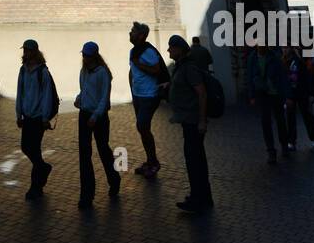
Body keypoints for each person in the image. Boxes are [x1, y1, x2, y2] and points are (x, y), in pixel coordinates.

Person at [167, 34, 212, 214]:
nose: (168, 50)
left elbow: (201, 93)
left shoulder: (189, 67)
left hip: (194, 121)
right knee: (196, 159)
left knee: (195, 161)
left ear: (179, 49)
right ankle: (203, 197)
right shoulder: (181, 67)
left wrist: (202, 120)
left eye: (171, 47)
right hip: (188, 121)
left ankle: (198, 198)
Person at [75, 42, 121, 208]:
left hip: (99, 117)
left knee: (103, 149)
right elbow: (84, 90)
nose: (85, 58)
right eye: (84, 55)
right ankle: (87, 195)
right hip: (84, 114)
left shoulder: (103, 73)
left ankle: (114, 178)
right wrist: (79, 98)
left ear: (94, 55)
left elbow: (104, 98)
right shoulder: (84, 72)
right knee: (84, 155)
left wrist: (96, 115)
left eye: (87, 55)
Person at [15, 39, 56, 200]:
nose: (25, 53)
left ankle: (36, 186)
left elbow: (46, 96)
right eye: (24, 50)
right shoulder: (23, 70)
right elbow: (20, 92)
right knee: (26, 147)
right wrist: (19, 114)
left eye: (28, 50)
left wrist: (45, 117)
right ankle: (43, 169)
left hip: (39, 118)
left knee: (34, 149)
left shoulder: (42, 72)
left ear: (35, 52)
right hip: (27, 116)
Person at [127, 21, 164, 178]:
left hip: (150, 95)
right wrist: (132, 90)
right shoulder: (134, 51)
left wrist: (139, 64)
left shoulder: (147, 51)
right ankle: (150, 161)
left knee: (142, 126)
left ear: (141, 35)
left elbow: (157, 70)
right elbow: (132, 70)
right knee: (142, 128)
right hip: (138, 95)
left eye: (133, 31)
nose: (130, 33)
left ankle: (154, 162)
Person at [246, 42, 291, 164]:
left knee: (280, 121)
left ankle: (284, 146)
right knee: (266, 123)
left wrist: (286, 94)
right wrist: (251, 94)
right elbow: (249, 77)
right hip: (262, 93)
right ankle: (271, 151)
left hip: (276, 93)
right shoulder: (253, 58)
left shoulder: (274, 57)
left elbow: (282, 77)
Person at [283, 44, 314, 149]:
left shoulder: (299, 61)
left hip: (301, 92)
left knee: (307, 115)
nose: (284, 50)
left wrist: (311, 93)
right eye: (283, 48)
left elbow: (308, 77)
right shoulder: (283, 61)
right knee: (291, 118)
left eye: (286, 47)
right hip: (290, 93)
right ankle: (291, 140)